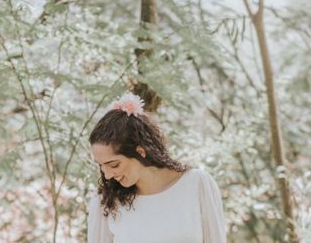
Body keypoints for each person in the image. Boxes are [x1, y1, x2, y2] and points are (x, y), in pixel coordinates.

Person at [87, 93, 227, 243]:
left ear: (140, 152)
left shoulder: (198, 184)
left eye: (114, 164)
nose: (107, 175)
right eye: (101, 166)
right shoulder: (106, 201)